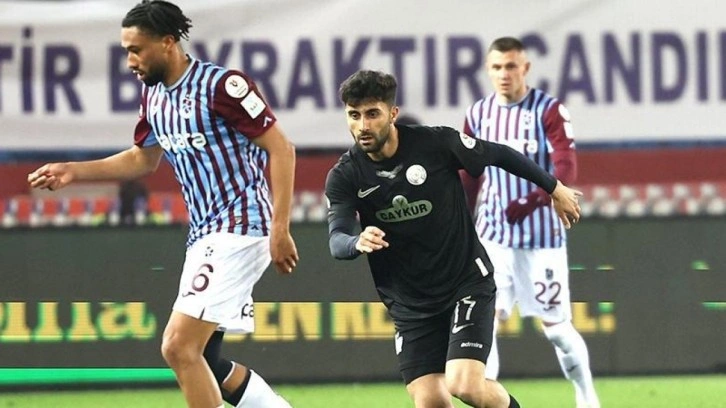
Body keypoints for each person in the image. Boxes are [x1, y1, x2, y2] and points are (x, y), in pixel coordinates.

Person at [27, 1, 298, 407]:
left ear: (168, 42)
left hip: (240, 227)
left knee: (178, 346)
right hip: (204, 235)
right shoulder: (153, 96)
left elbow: (282, 149)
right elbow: (143, 159)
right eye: (126, 51)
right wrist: (73, 171)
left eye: (137, 50)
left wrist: (280, 227)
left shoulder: (223, 87)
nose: (130, 61)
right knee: (205, 359)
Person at [325, 69, 583, 408]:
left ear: (392, 113)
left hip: (465, 284)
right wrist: (355, 241)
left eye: (372, 114)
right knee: (430, 401)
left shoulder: (435, 144)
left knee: (465, 385)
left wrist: (554, 188)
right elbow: (337, 238)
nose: (363, 125)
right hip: (410, 304)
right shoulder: (345, 175)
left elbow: (500, 154)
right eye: (354, 115)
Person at [460, 37, 600, 408]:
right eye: (496, 67)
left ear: (525, 68)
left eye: (511, 66)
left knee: (557, 330)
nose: (504, 74)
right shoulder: (478, 114)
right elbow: (469, 176)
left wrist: (536, 198)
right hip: (493, 236)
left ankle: (586, 395)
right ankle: (488, 401)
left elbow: (565, 164)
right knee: (486, 322)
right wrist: (461, 222)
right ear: (488, 70)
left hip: (542, 237)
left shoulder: (548, 110)